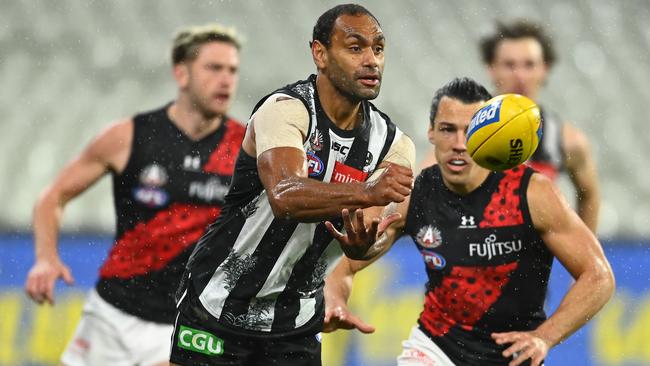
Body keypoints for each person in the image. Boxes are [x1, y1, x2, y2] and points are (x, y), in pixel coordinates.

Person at [169, 4, 415, 365]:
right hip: (218, 304)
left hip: (294, 322)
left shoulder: (393, 145)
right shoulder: (286, 109)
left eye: (378, 49)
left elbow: (370, 230)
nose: (371, 61)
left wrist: (363, 246)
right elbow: (285, 196)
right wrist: (365, 192)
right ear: (320, 54)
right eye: (355, 47)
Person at [324, 78, 614, 366]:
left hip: (514, 355)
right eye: (448, 130)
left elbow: (598, 276)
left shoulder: (532, 193)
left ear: (488, 133)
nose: (460, 144)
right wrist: (336, 295)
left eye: (470, 131)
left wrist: (544, 337)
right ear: (432, 133)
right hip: (435, 348)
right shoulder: (414, 194)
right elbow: (346, 265)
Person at [24, 24, 246, 366]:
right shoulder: (129, 136)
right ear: (181, 73)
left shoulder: (246, 149)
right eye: (214, 68)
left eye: (232, 70)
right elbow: (53, 197)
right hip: (112, 312)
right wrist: (45, 257)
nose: (226, 79)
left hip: (184, 322)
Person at [419, 20, 600, 233]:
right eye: (509, 65)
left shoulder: (567, 141)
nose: (520, 76)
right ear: (491, 69)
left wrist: (582, 249)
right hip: (475, 256)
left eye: (529, 65)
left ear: (545, 69)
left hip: (532, 262)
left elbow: (589, 194)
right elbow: (421, 186)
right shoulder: (466, 128)